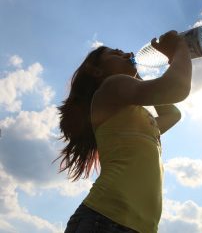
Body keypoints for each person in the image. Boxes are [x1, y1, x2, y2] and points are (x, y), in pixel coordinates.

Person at [54, 30, 192, 233]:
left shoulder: (136, 118)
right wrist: (180, 47)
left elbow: (173, 114)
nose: (126, 54)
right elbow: (176, 88)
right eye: (116, 54)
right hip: (105, 220)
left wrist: (141, 74)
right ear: (96, 71)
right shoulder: (111, 86)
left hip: (132, 226)